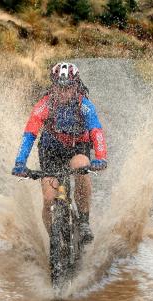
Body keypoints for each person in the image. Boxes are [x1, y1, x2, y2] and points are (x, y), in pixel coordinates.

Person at [11, 62, 108, 245]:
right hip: (51, 150)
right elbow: (29, 135)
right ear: (53, 85)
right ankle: (55, 244)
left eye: (68, 87)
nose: (63, 92)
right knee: (49, 199)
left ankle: (84, 221)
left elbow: (96, 131)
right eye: (59, 87)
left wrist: (101, 158)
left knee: (80, 166)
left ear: (76, 86)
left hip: (77, 147)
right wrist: (20, 162)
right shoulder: (44, 105)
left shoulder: (84, 105)